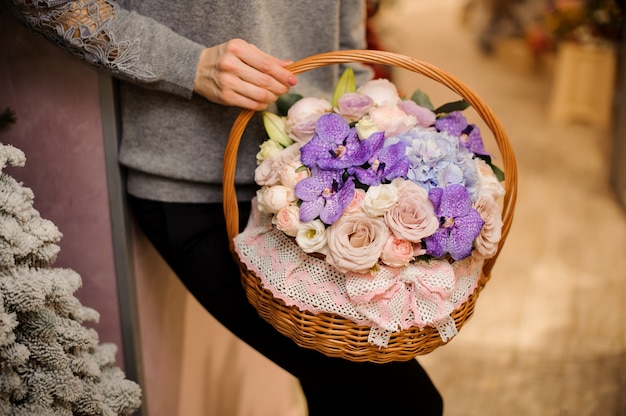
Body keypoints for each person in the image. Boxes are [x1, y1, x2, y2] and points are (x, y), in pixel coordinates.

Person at [3, 1, 444, 414]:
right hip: (199, 193)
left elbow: (345, 38)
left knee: (342, 392)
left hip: (328, 184)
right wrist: (190, 65)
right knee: (403, 402)